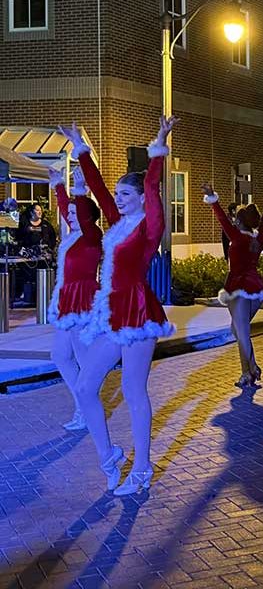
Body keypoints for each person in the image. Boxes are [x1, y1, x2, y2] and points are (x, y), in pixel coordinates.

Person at [60, 117, 178, 495]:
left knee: (133, 392)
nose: (119, 199)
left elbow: (152, 185)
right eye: (118, 195)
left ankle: (142, 469)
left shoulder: (149, 227)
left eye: (126, 194)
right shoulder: (117, 223)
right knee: (83, 385)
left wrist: (158, 146)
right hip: (111, 314)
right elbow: (95, 187)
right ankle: (109, 454)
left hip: (139, 313)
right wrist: (81, 148)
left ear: (142, 198)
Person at [201, 180, 263, 388]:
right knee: (238, 330)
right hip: (254, 287)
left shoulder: (236, 237)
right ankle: (252, 367)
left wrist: (213, 199)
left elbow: (221, 218)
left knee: (241, 332)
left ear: (238, 221)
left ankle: (248, 372)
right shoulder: (259, 236)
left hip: (238, 286)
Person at [47, 166, 102, 432]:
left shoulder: (93, 237)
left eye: (74, 212)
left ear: (87, 217)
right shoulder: (76, 235)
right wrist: (59, 184)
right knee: (59, 355)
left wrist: (81, 191)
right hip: (66, 301)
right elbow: (66, 208)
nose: (68, 215)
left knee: (84, 360)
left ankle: (86, 408)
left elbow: (77, 211)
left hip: (83, 301)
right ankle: (82, 404)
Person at [15, 201, 57, 304]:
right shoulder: (24, 224)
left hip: (43, 257)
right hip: (27, 258)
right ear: (31, 212)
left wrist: (50, 250)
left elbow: (52, 238)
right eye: (37, 210)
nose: (40, 212)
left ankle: (42, 297)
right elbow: (17, 237)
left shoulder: (46, 225)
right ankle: (26, 296)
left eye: (40, 210)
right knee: (28, 277)